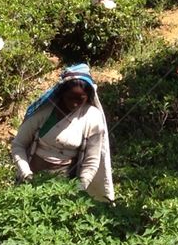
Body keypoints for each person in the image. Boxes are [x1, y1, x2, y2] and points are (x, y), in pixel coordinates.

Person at [12, 64, 114, 201]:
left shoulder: (92, 117)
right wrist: (26, 173)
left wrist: (80, 186)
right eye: (70, 98)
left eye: (80, 99)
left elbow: (92, 160)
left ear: (88, 96)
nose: (74, 104)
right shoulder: (44, 113)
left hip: (66, 180)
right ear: (61, 93)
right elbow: (19, 145)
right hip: (34, 175)